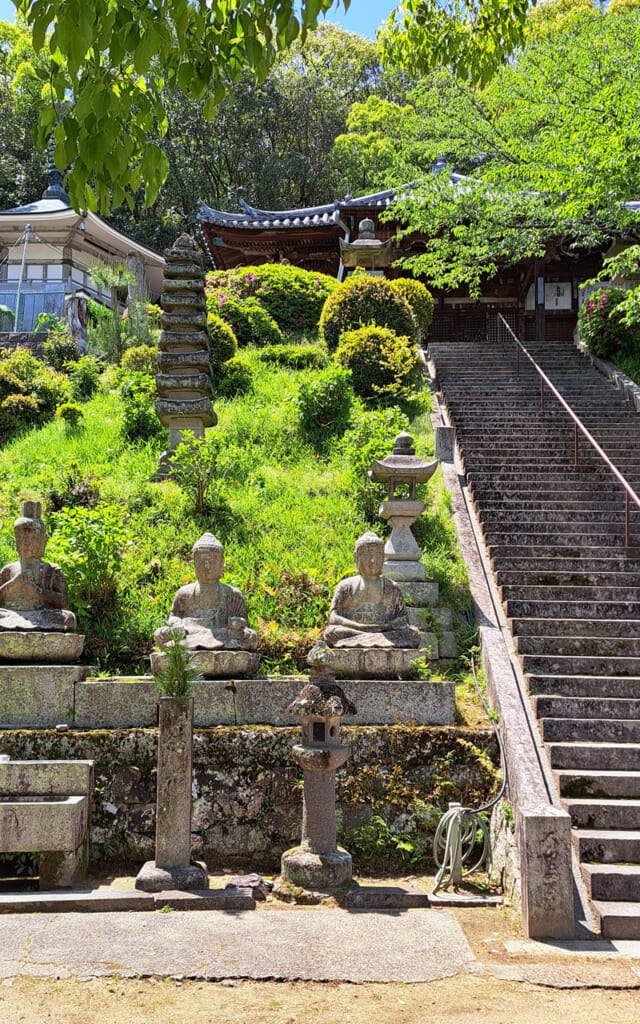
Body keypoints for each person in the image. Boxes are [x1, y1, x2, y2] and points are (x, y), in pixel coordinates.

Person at [155, 532, 258, 651]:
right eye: (201, 561)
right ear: (194, 564)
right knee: (160, 634)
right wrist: (176, 625)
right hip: (190, 634)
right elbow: (174, 617)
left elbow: (243, 622)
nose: (206, 566)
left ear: (221, 563)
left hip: (222, 635)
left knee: (251, 637)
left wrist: (237, 623)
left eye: (213, 562)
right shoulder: (184, 593)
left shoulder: (231, 593)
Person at [324, 532, 419, 649]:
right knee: (331, 633)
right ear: (356, 557)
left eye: (378, 555)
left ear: (383, 558)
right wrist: (359, 626)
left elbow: (403, 619)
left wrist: (385, 626)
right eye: (367, 555)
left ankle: (368, 640)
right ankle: (369, 640)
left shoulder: (392, 587)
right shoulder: (346, 586)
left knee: (412, 634)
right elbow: (333, 617)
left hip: (385, 633)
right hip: (355, 632)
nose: (373, 561)